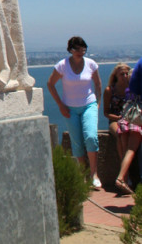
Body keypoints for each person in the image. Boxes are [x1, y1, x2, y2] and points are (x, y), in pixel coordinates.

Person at [47, 37, 102, 189]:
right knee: (76, 141)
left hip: (89, 105)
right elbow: (50, 84)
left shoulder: (91, 64)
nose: (80, 52)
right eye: (77, 49)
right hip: (70, 108)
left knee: (91, 137)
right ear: (70, 49)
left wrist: (97, 103)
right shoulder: (62, 66)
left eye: (83, 49)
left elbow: (98, 85)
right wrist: (60, 105)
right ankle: (83, 173)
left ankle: (94, 174)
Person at [114, 59, 142, 195]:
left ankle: (123, 177)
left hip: (129, 114)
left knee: (129, 149)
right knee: (131, 149)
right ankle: (123, 178)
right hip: (138, 114)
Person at [103, 63, 132, 162]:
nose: (124, 76)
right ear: (116, 75)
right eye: (121, 74)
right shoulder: (110, 90)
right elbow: (106, 112)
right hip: (115, 120)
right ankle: (124, 163)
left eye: (126, 74)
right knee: (121, 134)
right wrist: (118, 118)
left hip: (130, 119)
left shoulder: (133, 89)